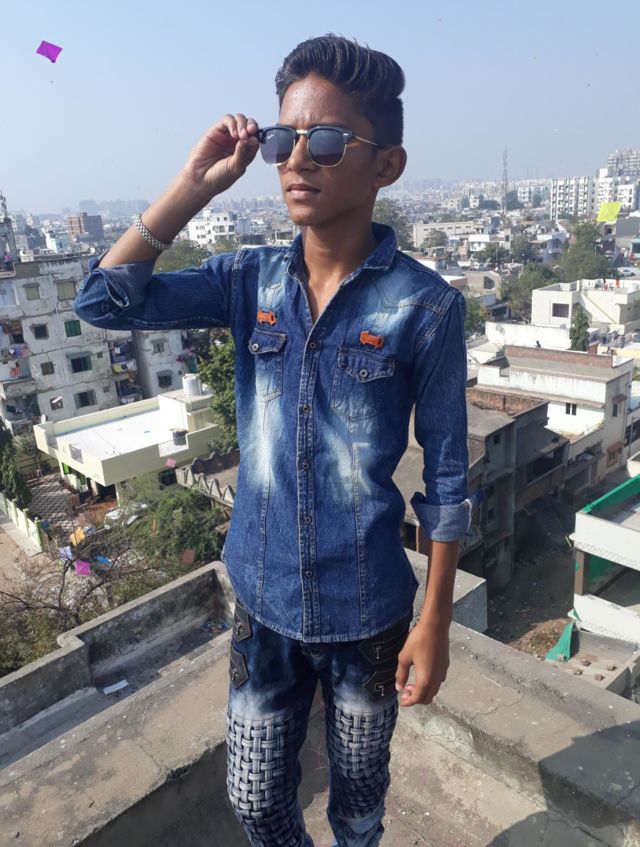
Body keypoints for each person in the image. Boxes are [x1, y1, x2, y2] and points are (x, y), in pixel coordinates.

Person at [74, 34, 470, 847]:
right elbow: (102, 302)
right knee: (255, 800)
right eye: (284, 139)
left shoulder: (424, 307)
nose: (296, 159)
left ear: (386, 165)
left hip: (368, 608)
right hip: (263, 598)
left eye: (325, 141)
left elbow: (449, 477)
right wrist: (195, 184)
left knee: (357, 806)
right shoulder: (246, 280)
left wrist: (436, 620)